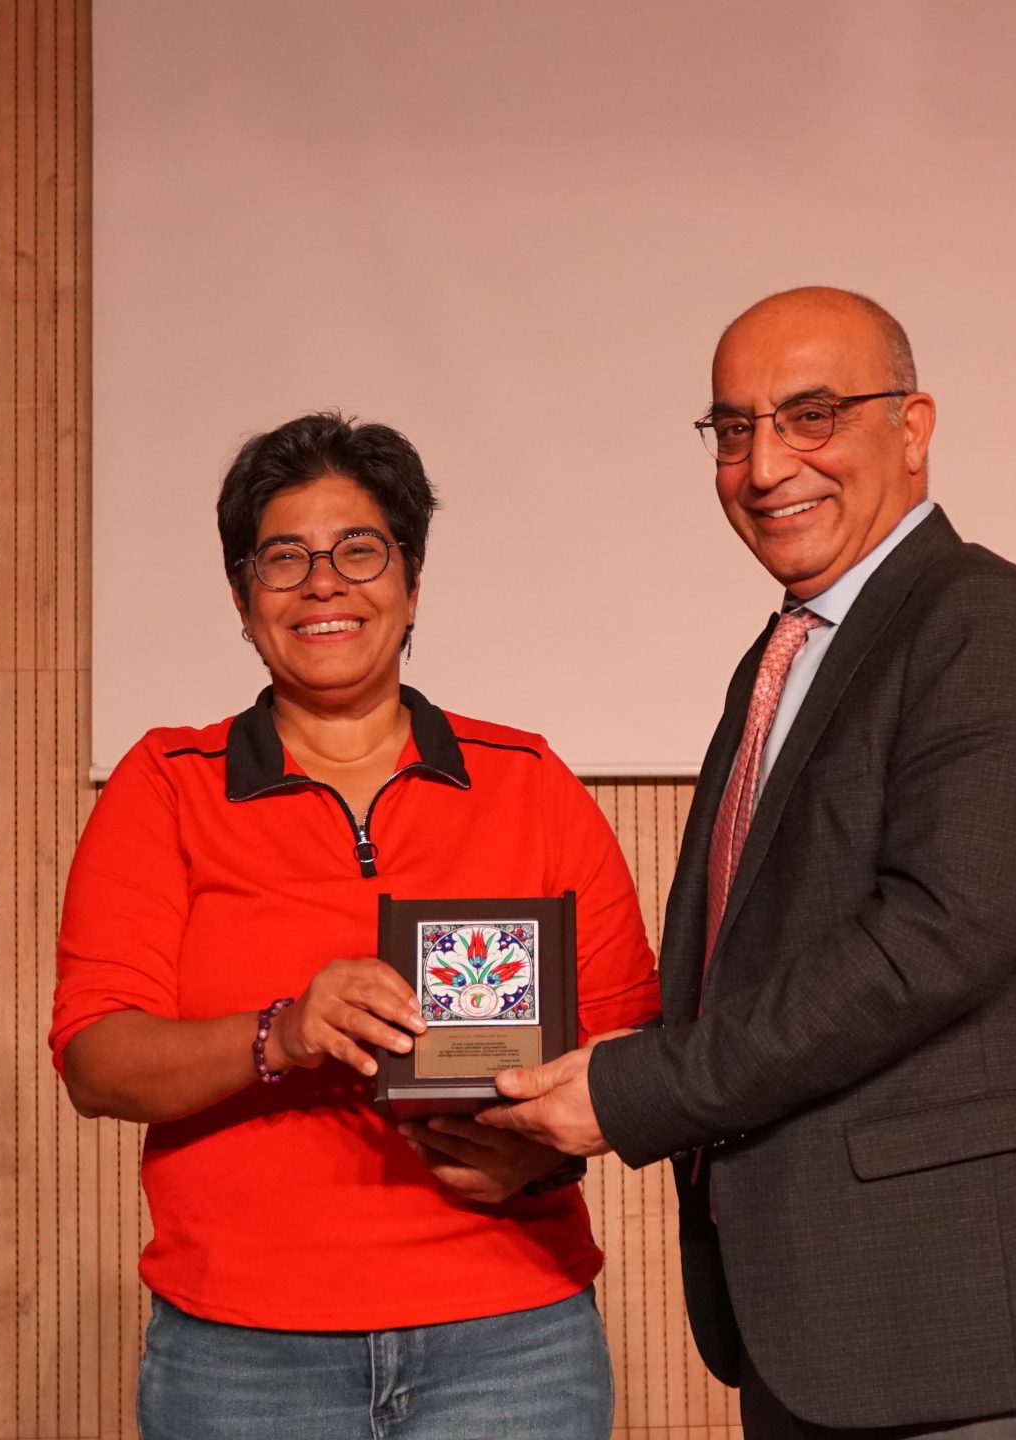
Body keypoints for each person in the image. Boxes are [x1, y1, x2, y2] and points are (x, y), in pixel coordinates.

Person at [486, 289, 1016, 1437]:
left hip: (952, 1332)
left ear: (913, 427)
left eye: (811, 416)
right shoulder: (788, 653)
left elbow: (931, 944)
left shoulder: (986, 622)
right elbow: (755, 968)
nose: (766, 464)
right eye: (733, 430)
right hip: (816, 1320)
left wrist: (633, 1092)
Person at [50, 412, 660, 1440]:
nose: (322, 585)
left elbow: (632, 1044)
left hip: (513, 1343)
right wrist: (282, 1033)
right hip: (242, 1355)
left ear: (411, 584)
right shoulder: (167, 786)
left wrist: (542, 1161)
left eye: (359, 551)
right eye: (283, 558)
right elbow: (95, 1061)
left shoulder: (528, 782)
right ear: (243, 599)